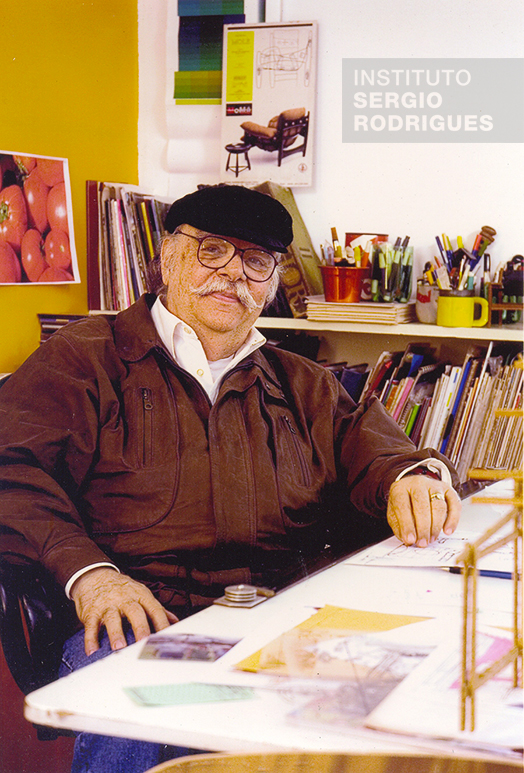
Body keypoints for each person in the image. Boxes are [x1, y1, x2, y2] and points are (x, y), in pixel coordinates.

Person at [0, 184, 461, 772]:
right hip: (142, 613)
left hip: (278, 615)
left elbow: (371, 445)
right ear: (168, 258)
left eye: (256, 262)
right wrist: (92, 578)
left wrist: (410, 476)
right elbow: (11, 471)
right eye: (212, 251)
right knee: (133, 707)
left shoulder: (302, 382)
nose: (234, 276)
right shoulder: (84, 360)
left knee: (407, 704)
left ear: (271, 283)